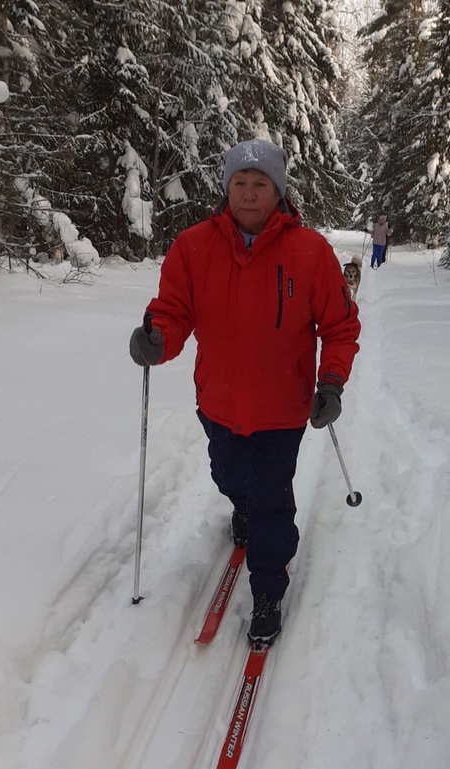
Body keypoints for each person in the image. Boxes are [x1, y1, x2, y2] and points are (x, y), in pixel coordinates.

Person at [129, 139, 361, 646]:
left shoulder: (311, 252)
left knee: (272, 500)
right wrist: (157, 338)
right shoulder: (193, 246)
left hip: (283, 408)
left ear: (278, 191)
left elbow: (340, 326)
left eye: (260, 185)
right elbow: (174, 310)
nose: (249, 194)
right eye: (240, 183)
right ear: (226, 188)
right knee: (229, 474)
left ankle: (269, 591)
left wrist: (332, 382)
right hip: (219, 402)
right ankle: (242, 506)